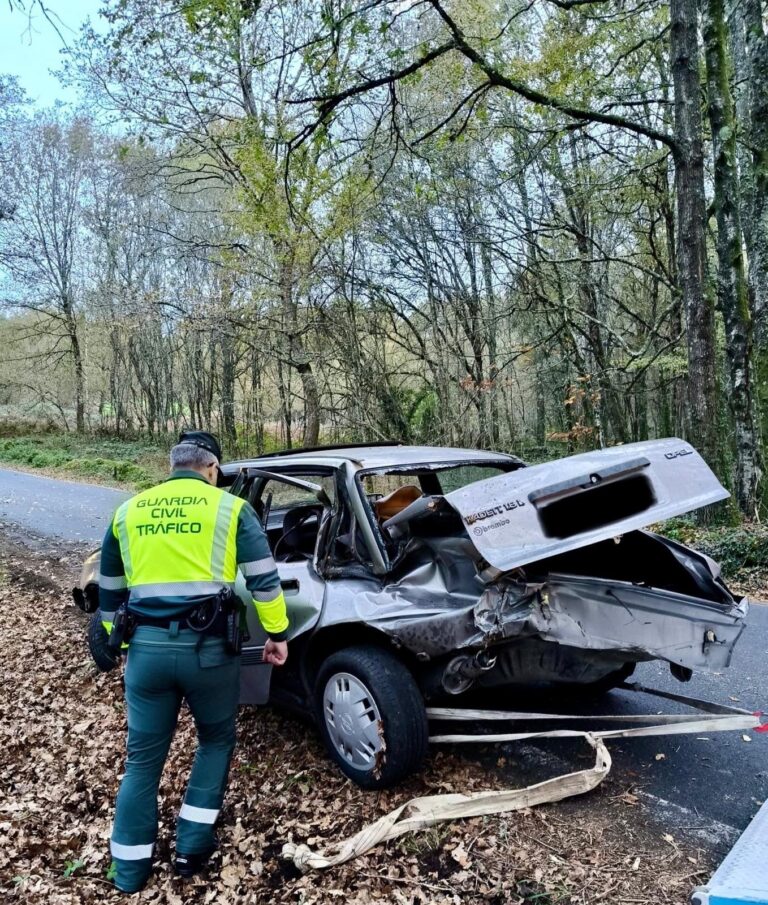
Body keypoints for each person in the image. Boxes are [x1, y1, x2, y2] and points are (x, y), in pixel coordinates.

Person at [98, 429, 288, 893]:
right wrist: (277, 634)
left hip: (146, 653)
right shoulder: (231, 509)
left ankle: (129, 872)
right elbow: (264, 581)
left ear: (173, 464)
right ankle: (191, 849)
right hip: (209, 653)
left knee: (142, 761)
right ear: (212, 468)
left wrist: (116, 641)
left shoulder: (128, 512)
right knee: (216, 741)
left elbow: (109, 591)